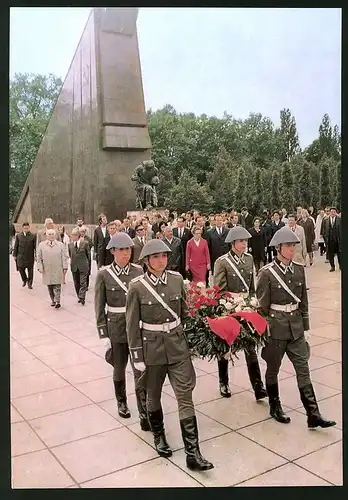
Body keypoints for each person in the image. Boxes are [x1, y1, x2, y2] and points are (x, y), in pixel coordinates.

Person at [126, 239, 213, 471]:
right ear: (146, 261)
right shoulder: (137, 287)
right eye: (155, 257)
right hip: (151, 348)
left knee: (185, 396)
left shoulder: (176, 280)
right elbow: (132, 326)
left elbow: (184, 314)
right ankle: (159, 436)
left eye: (164, 256)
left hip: (176, 346)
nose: (161, 260)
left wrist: (194, 340)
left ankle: (193, 453)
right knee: (153, 395)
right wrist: (137, 357)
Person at [256, 226, 336, 428]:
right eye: (288, 246)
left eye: (293, 246)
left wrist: (305, 326)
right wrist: (264, 331)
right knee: (273, 368)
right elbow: (262, 307)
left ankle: (313, 413)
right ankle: (275, 406)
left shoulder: (299, 269)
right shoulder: (266, 273)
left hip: (296, 327)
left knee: (303, 369)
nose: (292, 250)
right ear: (278, 248)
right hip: (276, 328)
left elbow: (304, 301)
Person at [94, 232, 148, 429]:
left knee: (139, 368)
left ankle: (143, 409)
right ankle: (122, 401)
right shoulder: (104, 274)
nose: (126, 253)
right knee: (119, 367)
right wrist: (103, 333)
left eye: (128, 249)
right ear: (113, 251)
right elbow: (99, 306)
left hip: (136, 328)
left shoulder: (138, 271)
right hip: (116, 326)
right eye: (122, 250)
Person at [213, 226, 267, 401]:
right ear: (233, 243)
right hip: (229, 309)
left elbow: (252, 286)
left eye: (246, 240)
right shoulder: (222, 262)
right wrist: (230, 304)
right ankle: (223, 382)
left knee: (250, 347)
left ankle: (258, 386)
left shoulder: (249, 258)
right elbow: (219, 290)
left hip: (247, 309)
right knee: (225, 347)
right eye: (241, 241)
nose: (245, 243)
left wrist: (252, 302)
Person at [37, 229, 68, 309]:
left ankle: (58, 301)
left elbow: (64, 257)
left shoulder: (60, 245)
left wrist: (65, 267)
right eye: (49, 234)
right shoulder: (41, 245)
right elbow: (39, 257)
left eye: (53, 234)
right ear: (46, 235)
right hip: (47, 268)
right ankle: (53, 300)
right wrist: (40, 267)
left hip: (58, 267)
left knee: (57, 285)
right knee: (50, 285)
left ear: (55, 235)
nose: (51, 236)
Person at [68, 228, 90, 305]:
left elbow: (88, 255)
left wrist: (88, 266)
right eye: (72, 235)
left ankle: (82, 297)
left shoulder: (85, 243)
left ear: (78, 235)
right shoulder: (70, 245)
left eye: (75, 235)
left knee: (83, 283)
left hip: (83, 266)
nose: (73, 236)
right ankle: (79, 296)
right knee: (76, 283)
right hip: (74, 266)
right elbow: (70, 255)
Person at [13, 222, 36, 289]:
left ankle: (30, 283)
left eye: (27, 228)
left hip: (29, 256)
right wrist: (15, 255)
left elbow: (35, 247)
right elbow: (16, 246)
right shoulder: (18, 236)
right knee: (20, 269)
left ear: (29, 228)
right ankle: (25, 280)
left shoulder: (33, 236)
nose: (26, 229)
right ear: (22, 228)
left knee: (30, 271)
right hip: (20, 256)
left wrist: (37, 255)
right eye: (25, 228)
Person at [320, 207, 341, 272]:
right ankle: (332, 266)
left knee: (339, 254)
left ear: (336, 213)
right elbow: (322, 228)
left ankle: (341, 265)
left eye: (334, 212)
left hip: (338, 239)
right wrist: (323, 235)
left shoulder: (339, 219)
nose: (333, 213)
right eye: (331, 212)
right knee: (330, 254)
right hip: (329, 239)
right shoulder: (325, 219)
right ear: (329, 212)